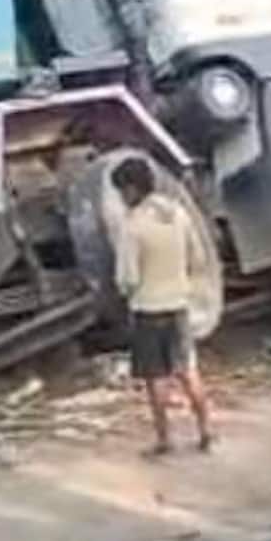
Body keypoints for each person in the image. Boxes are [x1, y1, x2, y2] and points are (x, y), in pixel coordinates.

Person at [111, 159, 215, 456]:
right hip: (178, 305)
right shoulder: (179, 214)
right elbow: (196, 256)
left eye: (122, 191)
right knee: (188, 372)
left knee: (155, 378)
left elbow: (127, 278)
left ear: (132, 189)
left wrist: (127, 293)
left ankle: (164, 440)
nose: (121, 197)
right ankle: (206, 431)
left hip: (148, 309)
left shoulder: (132, 226)